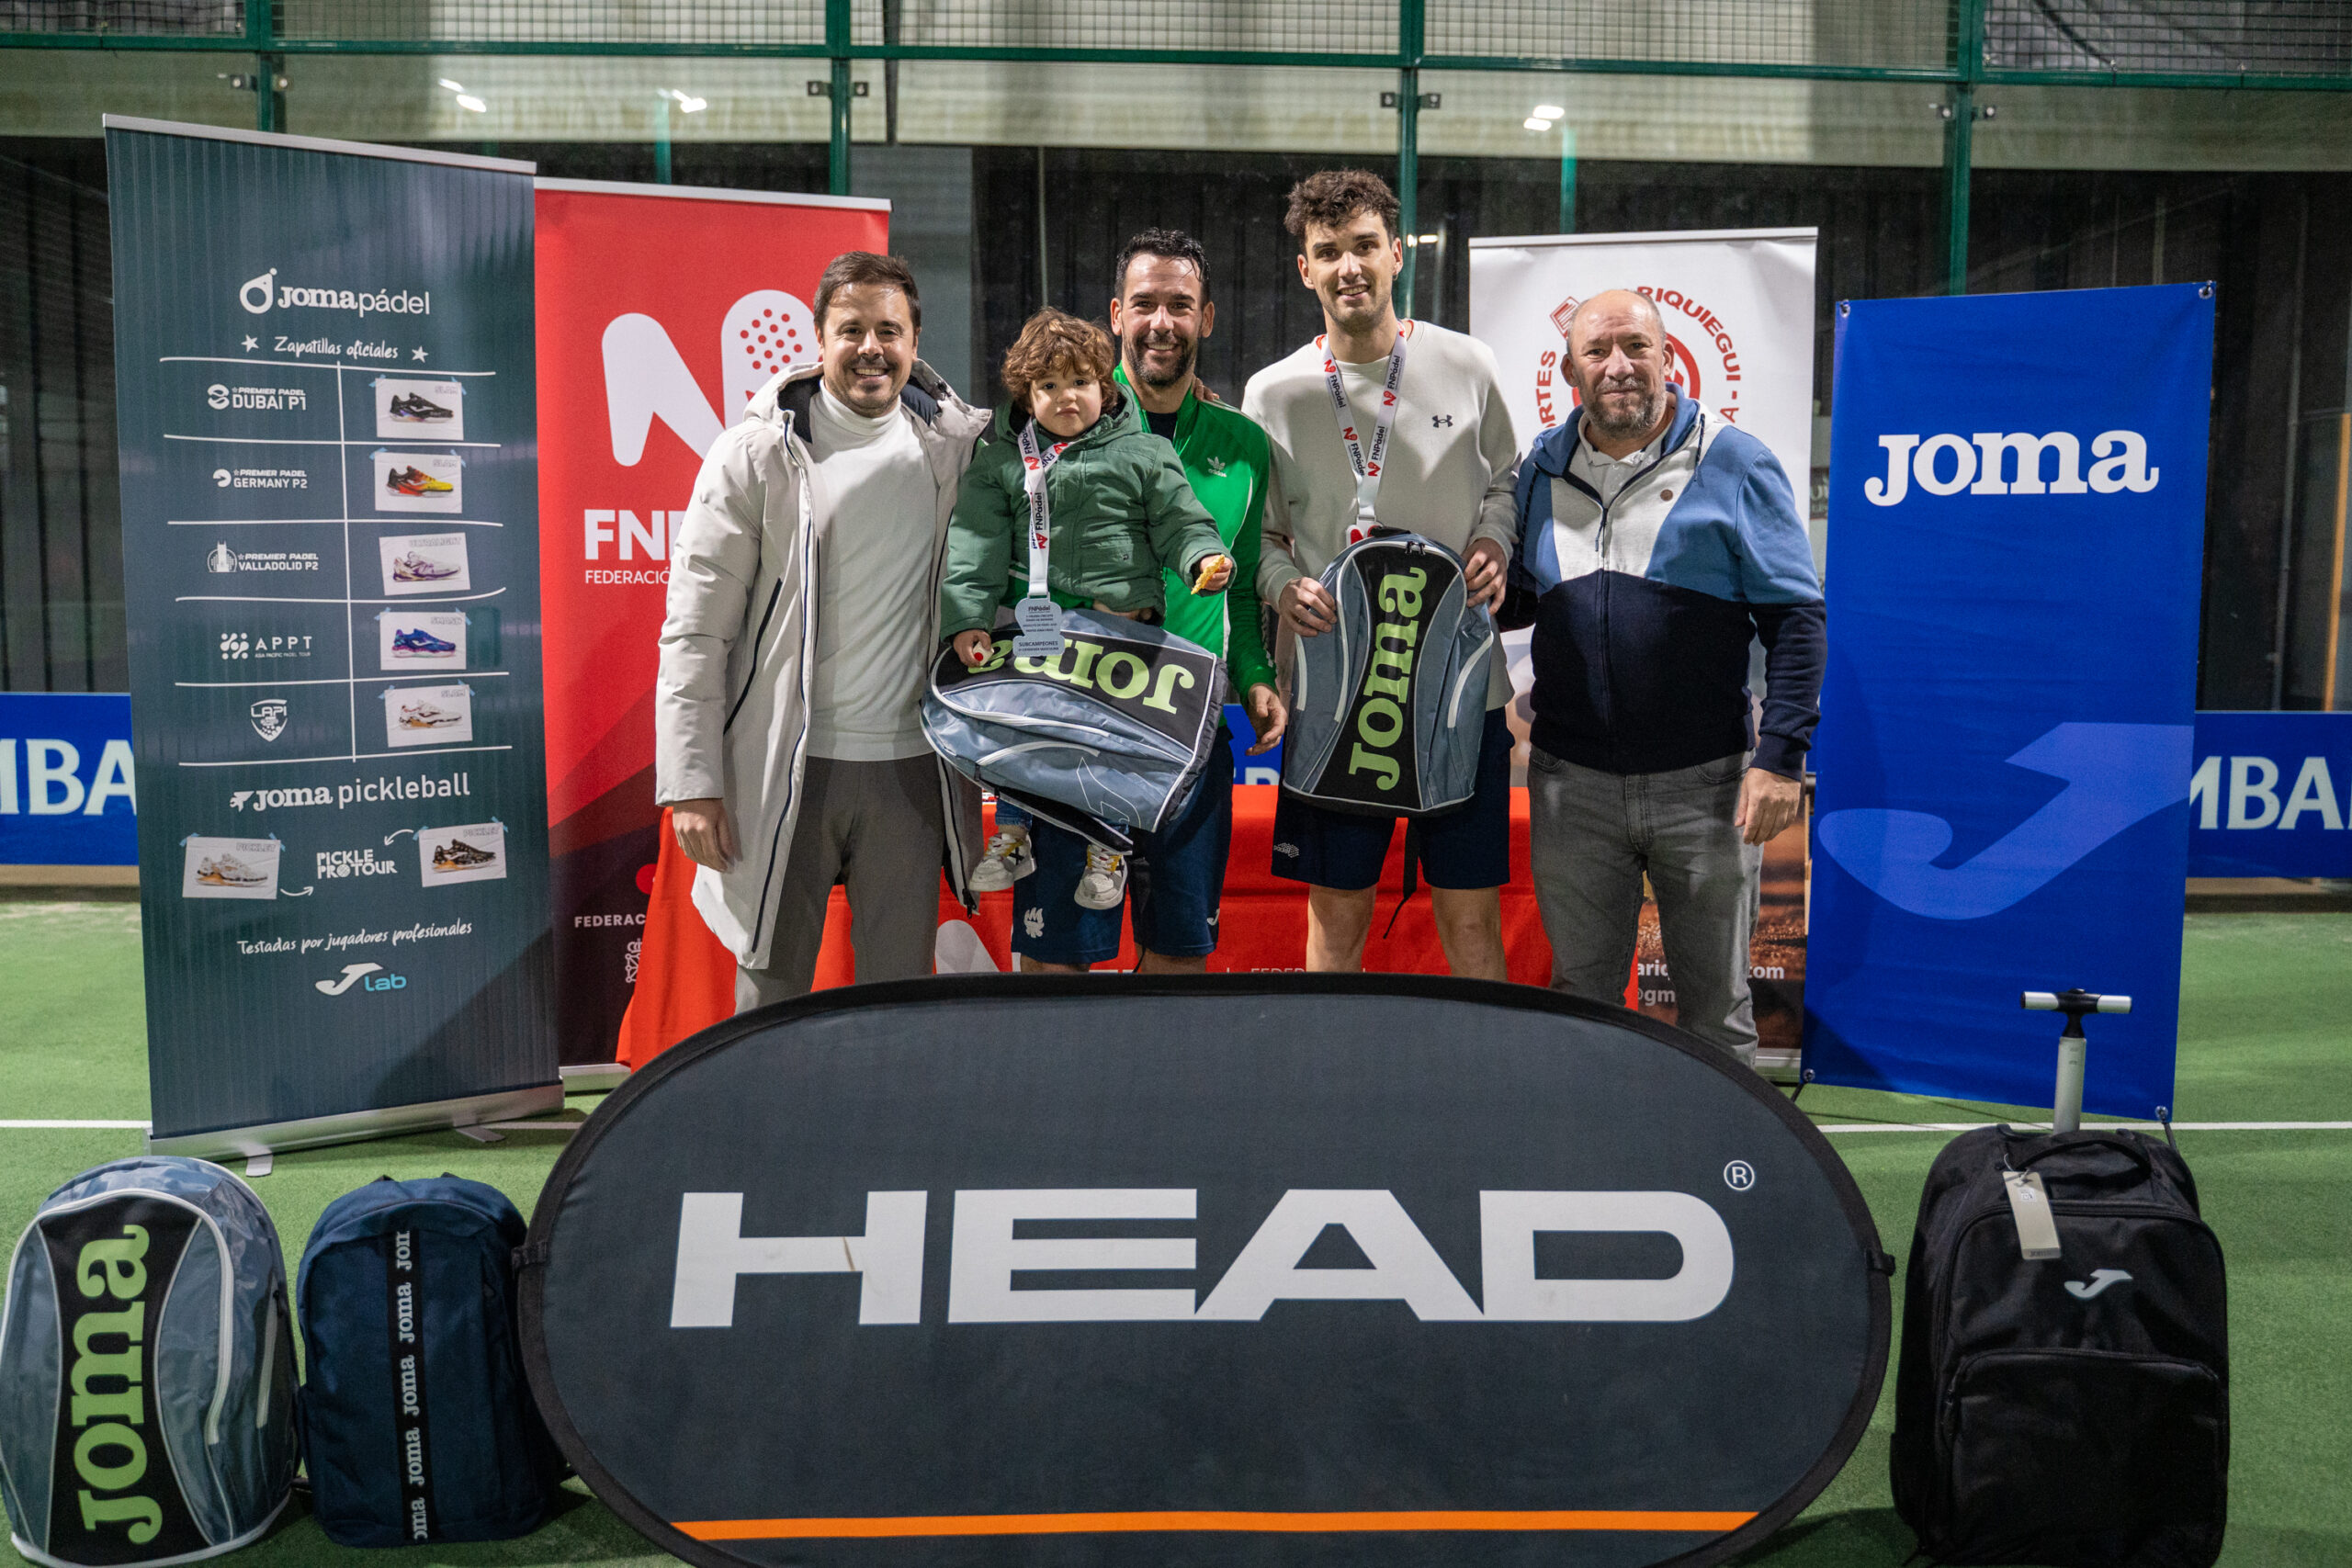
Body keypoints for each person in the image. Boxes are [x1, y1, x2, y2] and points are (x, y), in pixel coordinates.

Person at [656, 251, 990, 1012]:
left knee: (896, 1004)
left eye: (889, 330)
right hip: (785, 767)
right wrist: (693, 783)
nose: (871, 348)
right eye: (851, 330)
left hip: (911, 770)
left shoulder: (961, 451)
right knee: (769, 1001)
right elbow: (695, 632)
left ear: (914, 341)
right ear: (818, 339)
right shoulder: (754, 455)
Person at [1506, 288, 1824, 1066]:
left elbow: (1796, 619)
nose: (1618, 366)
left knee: (1717, 1015)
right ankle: (1591, 1145)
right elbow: (1515, 599)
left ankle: (1724, 1150)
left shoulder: (1735, 461)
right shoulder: (1537, 469)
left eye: (1636, 347)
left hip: (1706, 786)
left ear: (1669, 357)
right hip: (1572, 788)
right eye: (1597, 351)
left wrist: (1781, 757)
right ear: (1570, 370)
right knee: (1583, 1004)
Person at [967, 228, 1288, 975]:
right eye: (1144, 303)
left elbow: (1240, 586)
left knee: (1178, 963)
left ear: (1207, 318)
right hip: (1073, 722)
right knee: (1055, 969)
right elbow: (992, 561)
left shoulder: (1243, 444)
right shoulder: (1043, 427)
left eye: (1181, 305)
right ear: (1116, 314)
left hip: (1187, 729)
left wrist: (1255, 676)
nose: (1162, 322)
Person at [1243, 169, 1521, 979]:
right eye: (1329, 252)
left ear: (1397, 253)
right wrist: (1280, 585)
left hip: (1459, 692)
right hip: (1334, 693)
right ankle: (1329, 1064)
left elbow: (1507, 482)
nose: (1349, 267)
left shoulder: (1469, 364)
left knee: (1470, 918)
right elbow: (1259, 536)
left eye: (1364, 246)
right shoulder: (1273, 393)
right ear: (1306, 269)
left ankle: (1487, 1064)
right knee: (1337, 916)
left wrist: (1495, 539)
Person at [938, 307, 1233, 918]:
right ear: (1027, 395)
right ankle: (1013, 836)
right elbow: (974, 545)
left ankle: (1108, 852)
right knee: (1024, 730)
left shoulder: (1145, 452)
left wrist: (1202, 559)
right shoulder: (1001, 461)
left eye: (1079, 382)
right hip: (1035, 635)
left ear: (1106, 386)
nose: (1065, 397)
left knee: (1106, 743)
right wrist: (968, 619)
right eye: (1048, 385)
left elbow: (1180, 522)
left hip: (1119, 633)